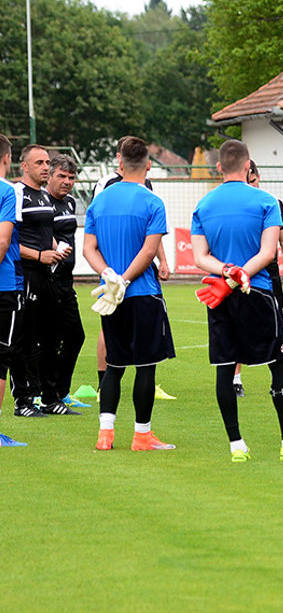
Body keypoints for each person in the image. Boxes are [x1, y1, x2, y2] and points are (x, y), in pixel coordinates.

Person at [191, 140, 283, 463]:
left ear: (218, 167)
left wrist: (227, 273)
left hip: (219, 295)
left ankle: (237, 446)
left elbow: (199, 257)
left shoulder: (203, 205)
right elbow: (267, 252)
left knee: (224, 368)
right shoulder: (266, 201)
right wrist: (241, 275)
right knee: (279, 364)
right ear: (248, 166)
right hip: (258, 292)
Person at [82, 136, 175, 451]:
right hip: (143, 293)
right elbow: (149, 252)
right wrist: (124, 279)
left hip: (111, 296)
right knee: (146, 365)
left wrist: (109, 276)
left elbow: (89, 249)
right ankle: (142, 435)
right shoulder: (152, 202)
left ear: (119, 163)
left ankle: (105, 434)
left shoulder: (99, 201)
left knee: (114, 364)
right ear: (148, 165)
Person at [12, 144, 75, 416]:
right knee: (25, 339)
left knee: (52, 336)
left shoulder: (46, 197)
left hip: (46, 275)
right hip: (25, 275)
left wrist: (56, 249)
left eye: (47, 162)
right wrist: (39, 255)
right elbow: (10, 241)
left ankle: (50, 398)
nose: (45, 167)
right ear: (24, 166)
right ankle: (23, 401)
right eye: (39, 162)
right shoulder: (17, 193)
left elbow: (44, 233)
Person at [233, 160, 283, 397]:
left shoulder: (273, 203)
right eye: (247, 181)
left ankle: (280, 381)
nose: (251, 185)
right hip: (238, 275)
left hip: (268, 276)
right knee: (236, 327)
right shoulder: (234, 205)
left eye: (253, 181)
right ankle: (235, 380)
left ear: (259, 177)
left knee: (276, 328)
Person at [46, 155, 88, 411]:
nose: (67, 182)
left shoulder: (70, 202)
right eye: (61, 176)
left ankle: (61, 392)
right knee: (47, 340)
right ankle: (41, 394)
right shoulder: (41, 202)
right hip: (46, 280)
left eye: (71, 177)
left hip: (66, 281)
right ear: (49, 176)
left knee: (75, 336)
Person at [0, 134, 26, 446]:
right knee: (1, 357)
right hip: (4, 285)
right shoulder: (8, 191)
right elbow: (3, 241)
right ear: (7, 157)